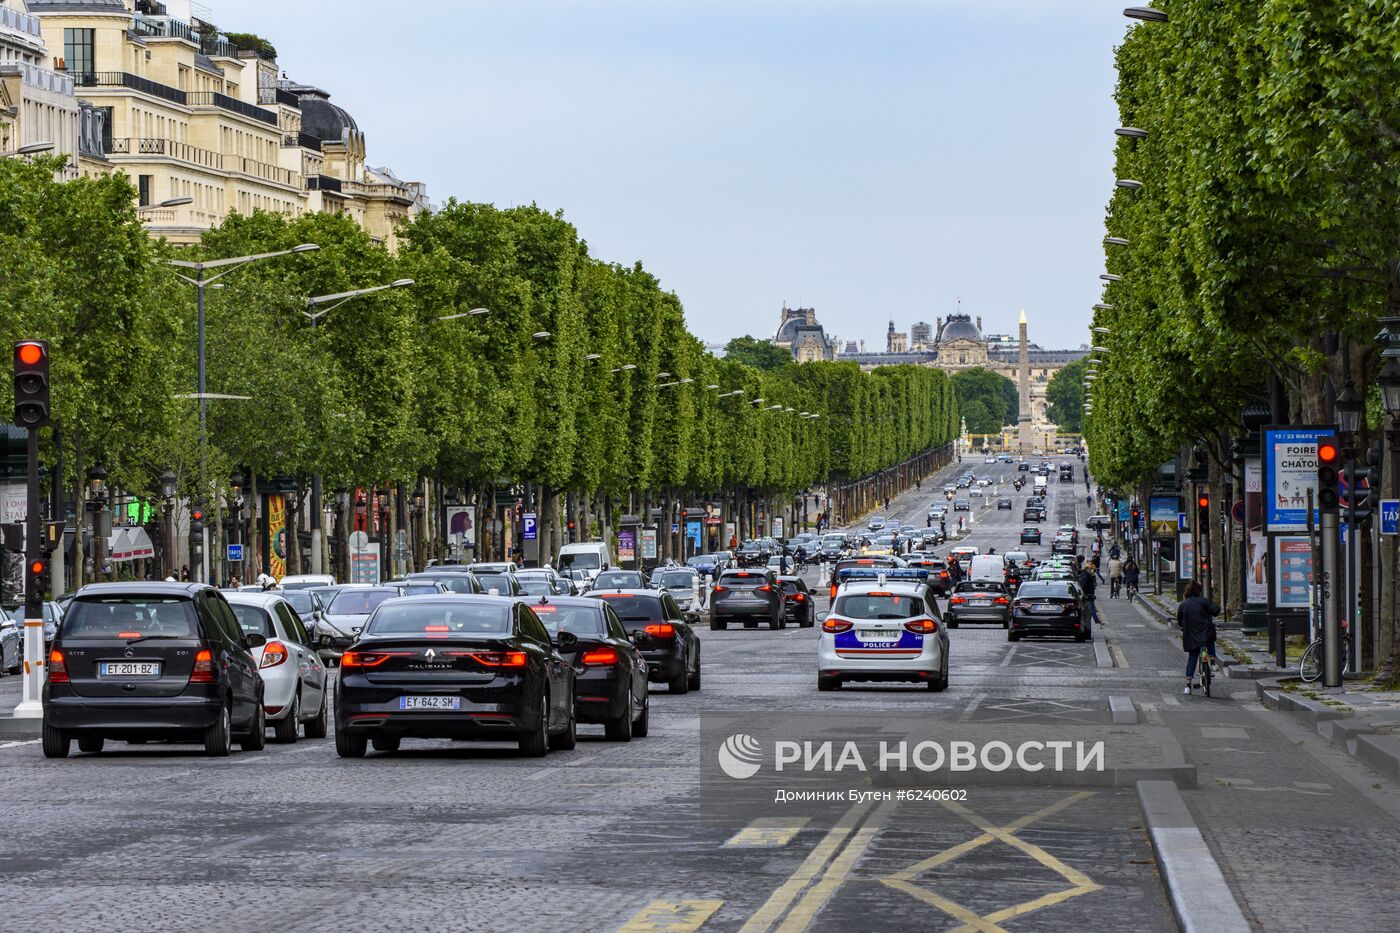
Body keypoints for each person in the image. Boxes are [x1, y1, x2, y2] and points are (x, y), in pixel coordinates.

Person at [1177, 580, 1221, 694]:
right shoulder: (1204, 602)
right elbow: (1216, 611)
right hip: (1205, 633)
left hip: (1191, 635)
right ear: (1199, 591)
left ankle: (1188, 685)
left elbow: (1180, 622)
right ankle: (1212, 663)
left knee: (1193, 657)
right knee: (1210, 639)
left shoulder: (1183, 605)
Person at [1077, 562, 1101, 626]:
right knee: (1091, 607)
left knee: (1091, 607)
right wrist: (1089, 591)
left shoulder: (1087, 575)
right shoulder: (1085, 575)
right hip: (1088, 594)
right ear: (1087, 569)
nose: (1091, 570)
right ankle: (1096, 620)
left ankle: (1096, 620)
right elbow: (1084, 586)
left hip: (1088, 594)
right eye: (1090, 569)